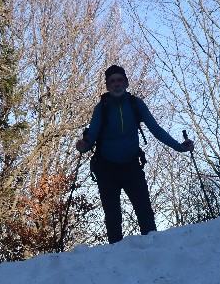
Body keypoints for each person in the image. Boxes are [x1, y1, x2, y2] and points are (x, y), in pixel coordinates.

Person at [76, 65, 193, 243]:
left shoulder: (136, 104)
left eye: (120, 80)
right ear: (107, 86)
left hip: (131, 165)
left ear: (127, 83)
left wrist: (179, 147)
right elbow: (92, 135)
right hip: (106, 168)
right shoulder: (102, 108)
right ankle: (116, 255)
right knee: (113, 216)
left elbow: (155, 129)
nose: (116, 84)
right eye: (112, 81)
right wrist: (84, 145)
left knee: (145, 211)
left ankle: (154, 249)